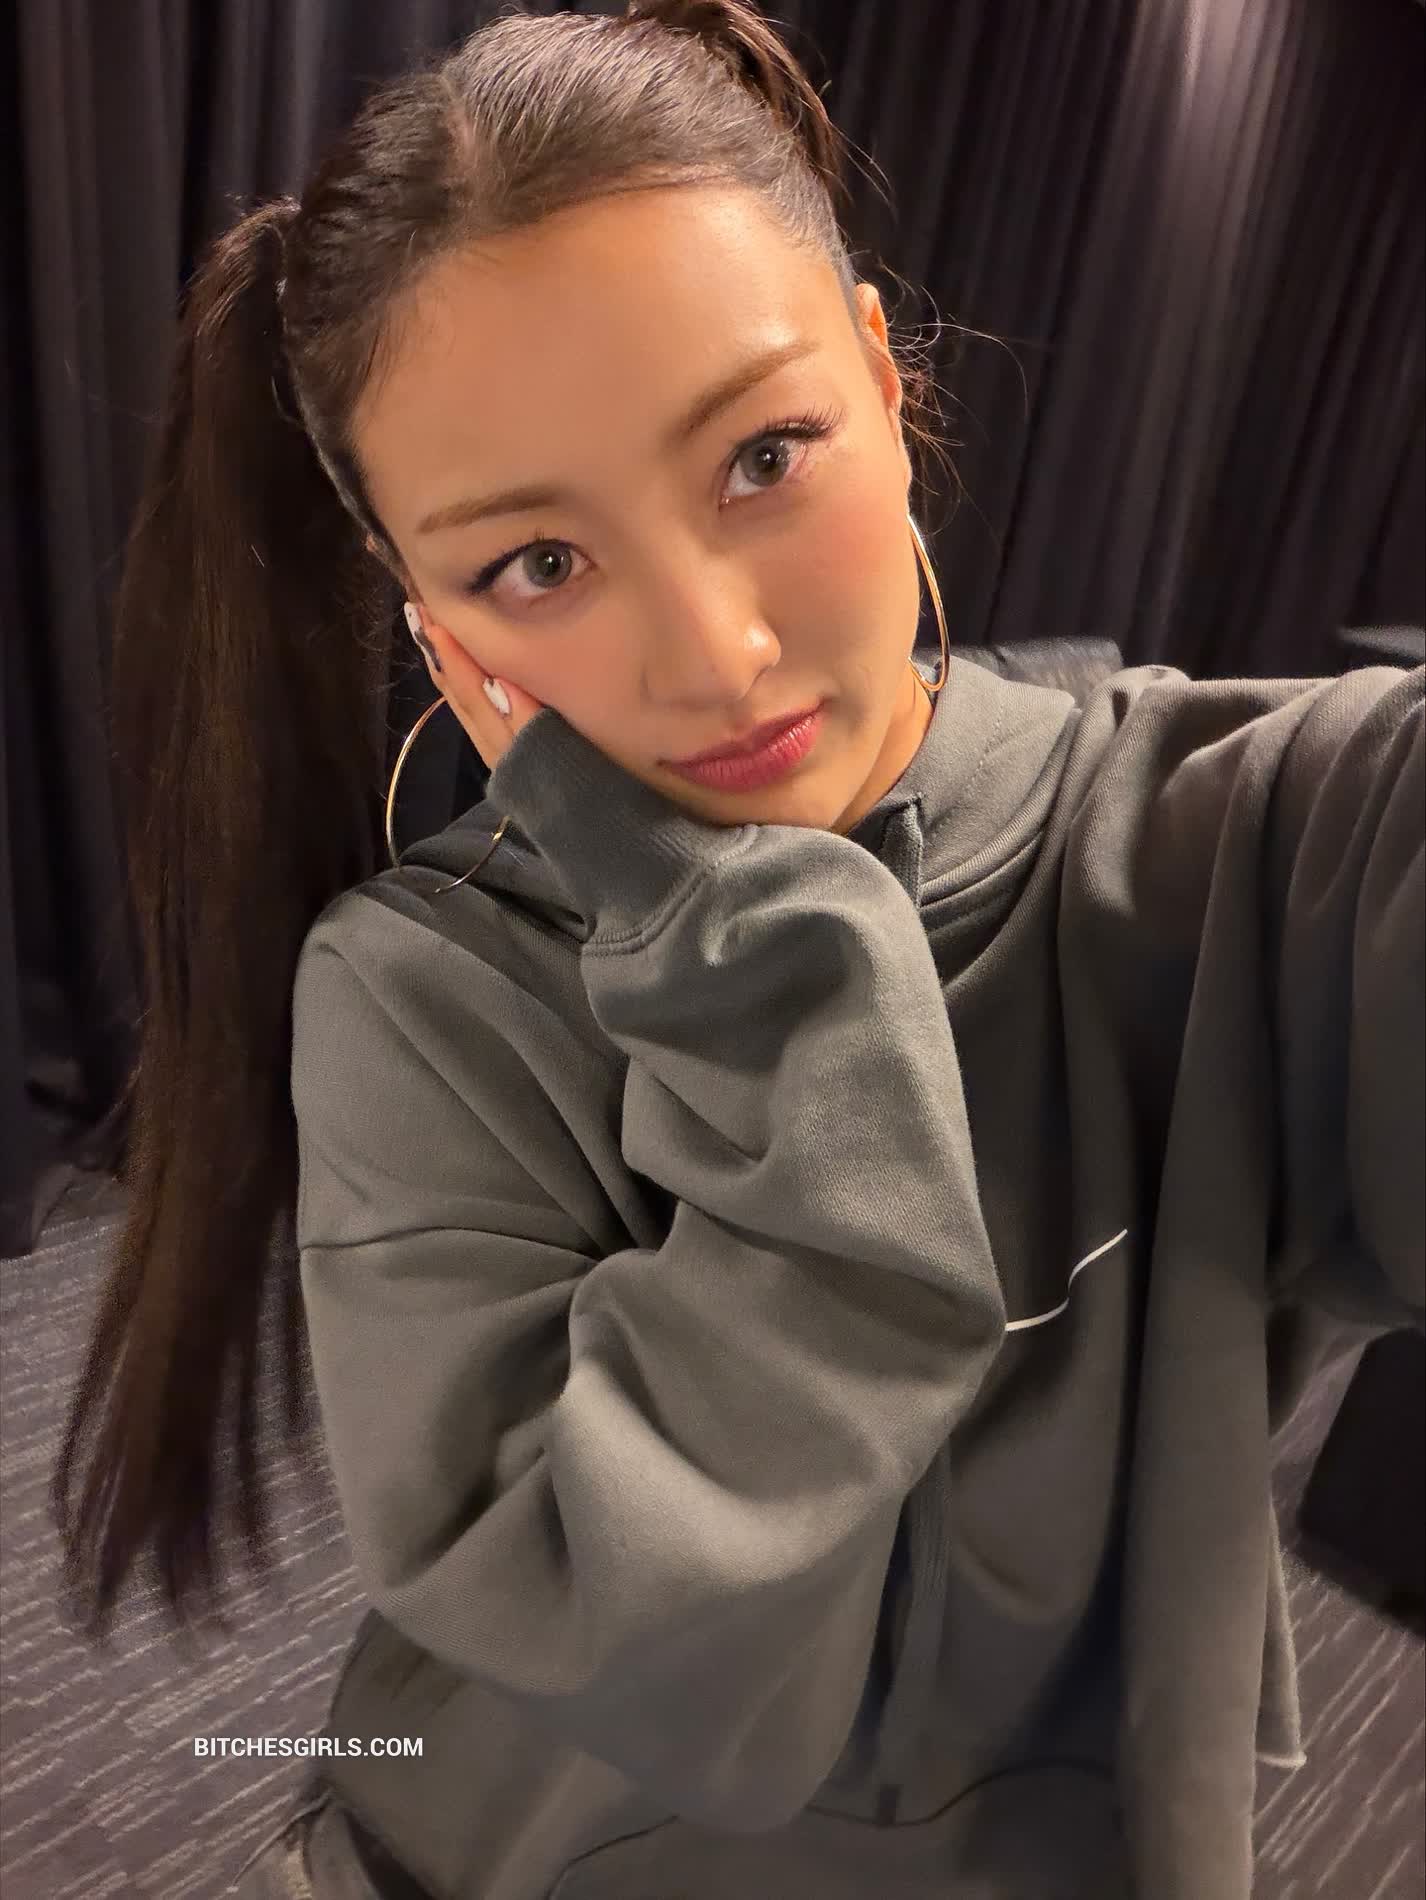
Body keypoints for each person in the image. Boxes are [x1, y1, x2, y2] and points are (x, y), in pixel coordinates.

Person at [50, 3, 1423, 1898]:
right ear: (435, 623)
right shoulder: (426, 998)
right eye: (536, 564)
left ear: (877, 372)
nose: (716, 658)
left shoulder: (1251, 843)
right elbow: (658, 1672)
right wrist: (769, 974)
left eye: (763, 456)